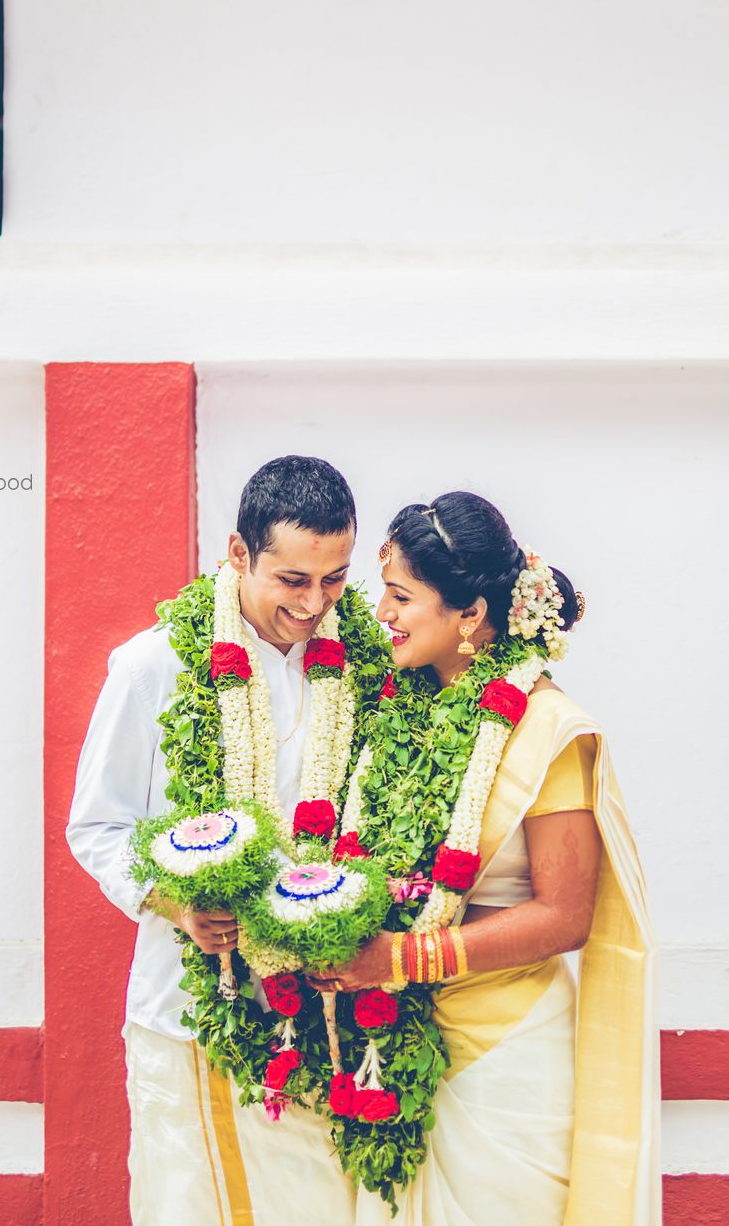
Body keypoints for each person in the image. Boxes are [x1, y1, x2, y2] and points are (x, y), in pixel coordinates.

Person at [310, 492, 660, 1226]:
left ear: (469, 614)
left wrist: (402, 959)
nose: (382, 614)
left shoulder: (547, 728)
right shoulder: (390, 710)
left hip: (507, 1049)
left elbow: (566, 917)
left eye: (402, 597)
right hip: (390, 1038)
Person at [66, 455, 389, 1226]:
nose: (315, 603)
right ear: (239, 554)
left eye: (335, 578)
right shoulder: (156, 666)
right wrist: (175, 902)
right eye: (292, 580)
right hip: (189, 1008)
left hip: (324, 1014)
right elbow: (97, 825)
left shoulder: (369, 662)